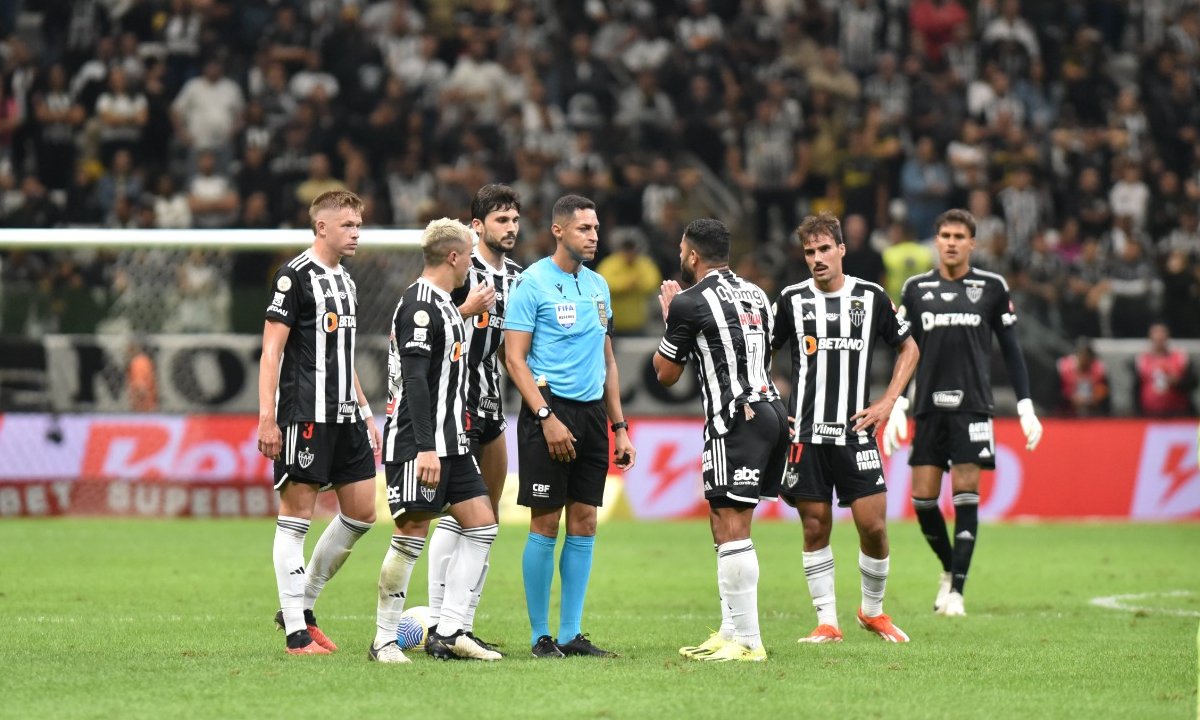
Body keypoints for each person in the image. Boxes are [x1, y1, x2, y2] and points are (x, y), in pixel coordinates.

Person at [885, 208, 1044, 618]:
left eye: (960, 236)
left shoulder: (991, 287)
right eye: (945, 235)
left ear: (972, 243)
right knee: (922, 499)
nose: (952, 242)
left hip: (973, 406)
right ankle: (949, 569)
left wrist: (1025, 405)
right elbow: (905, 351)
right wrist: (898, 403)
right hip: (928, 407)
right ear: (936, 242)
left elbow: (1011, 351)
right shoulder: (916, 289)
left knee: (965, 494)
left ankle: (957, 591)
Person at [772, 211, 919, 644]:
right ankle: (827, 622)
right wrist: (775, 405)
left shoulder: (871, 296)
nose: (816, 259)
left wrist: (889, 401)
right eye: (809, 252)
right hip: (806, 436)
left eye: (823, 250)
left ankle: (871, 612)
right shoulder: (791, 300)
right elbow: (761, 352)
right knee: (815, 526)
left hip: (856, 432)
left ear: (841, 250)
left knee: (873, 525)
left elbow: (909, 348)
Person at [503, 194, 637, 658]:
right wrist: (545, 417)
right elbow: (514, 359)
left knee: (585, 521)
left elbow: (608, 360)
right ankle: (541, 636)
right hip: (549, 410)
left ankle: (570, 633)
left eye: (596, 228)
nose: (594, 236)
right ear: (559, 231)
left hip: (592, 413)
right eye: (584, 228)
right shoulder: (531, 283)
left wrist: (619, 426)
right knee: (545, 521)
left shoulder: (599, 285)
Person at [654, 218, 789, 662]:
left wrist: (671, 320)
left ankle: (749, 641)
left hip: (735, 417)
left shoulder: (690, 302)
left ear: (692, 255)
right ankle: (731, 631)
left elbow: (665, 374)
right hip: (769, 409)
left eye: (681, 249)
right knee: (723, 521)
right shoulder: (757, 295)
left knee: (733, 525)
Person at [371, 218, 501, 664]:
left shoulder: (446, 305)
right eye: (469, 254)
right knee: (411, 534)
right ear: (453, 256)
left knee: (482, 523)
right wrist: (426, 447)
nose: (472, 263)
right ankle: (384, 640)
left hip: (454, 443)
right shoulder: (420, 305)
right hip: (419, 444)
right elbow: (416, 380)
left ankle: (450, 630)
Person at [258, 190, 380, 656]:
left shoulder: (346, 281)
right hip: (304, 414)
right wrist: (267, 417)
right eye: (347, 225)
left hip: (346, 415)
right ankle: (295, 634)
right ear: (322, 227)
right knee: (295, 521)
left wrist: (366, 412)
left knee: (362, 512)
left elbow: (342, 356)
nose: (356, 232)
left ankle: (301, 607)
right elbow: (271, 351)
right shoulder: (294, 277)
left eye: (358, 224)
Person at [424, 184, 523, 652]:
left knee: (488, 514)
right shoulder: (462, 267)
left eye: (515, 220)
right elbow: (430, 325)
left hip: (492, 402)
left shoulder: (519, 278)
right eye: (501, 220)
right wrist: (466, 310)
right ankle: (441, 620)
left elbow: (509, 348)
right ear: (477, 226)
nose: (511, 228)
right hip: (456, 399)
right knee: (458, 510)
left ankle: (459, 622)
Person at [1131, 323, 1197, 417]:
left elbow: (1193, 382)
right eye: (1156, 334)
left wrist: (1178, 382)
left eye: (1162, 334)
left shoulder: (1181, 358)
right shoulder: (1141, 359)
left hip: (1179, 414)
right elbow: (1136, 388)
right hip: (1149, 414)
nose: (1159, 338)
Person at [1056, 338, 1110, 417]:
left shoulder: (1099, 370)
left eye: (1087, 358)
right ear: (1077, 355)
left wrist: (1096, 398)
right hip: (1068, 411)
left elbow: (1104, 390)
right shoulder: (1065, 368)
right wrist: (1070, 398)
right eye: (1082, 356)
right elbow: (1057, 392)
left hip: (1094, 411)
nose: (1085, 360)